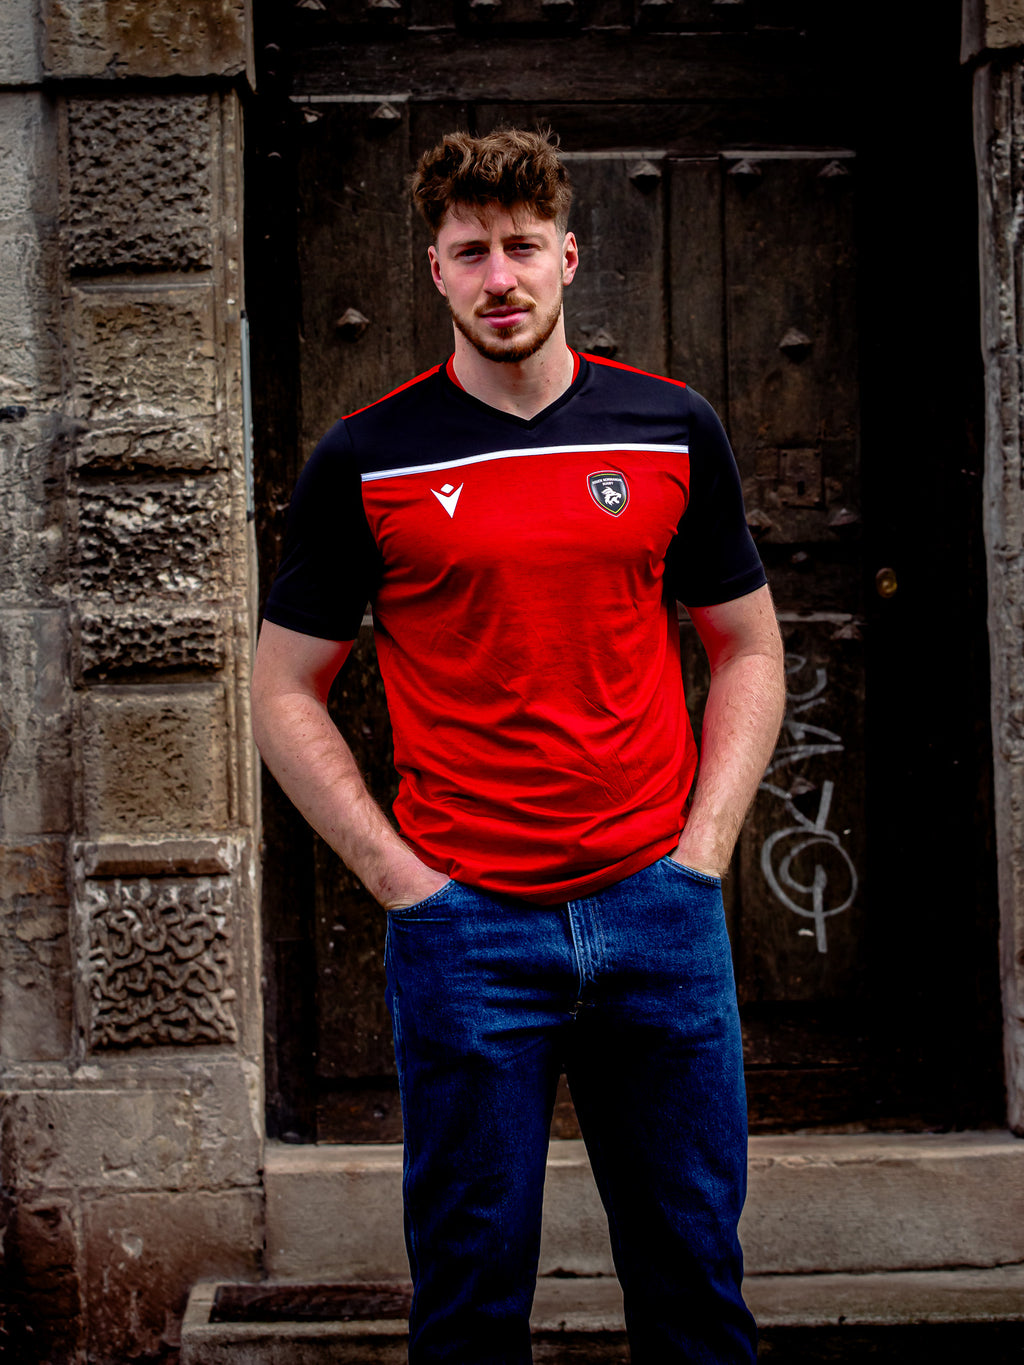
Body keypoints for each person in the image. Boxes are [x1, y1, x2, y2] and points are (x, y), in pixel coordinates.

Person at [251, 127, 786, 1364]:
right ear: (434, 272)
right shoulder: (368, 456)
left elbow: (747, 648)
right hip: (468, 928)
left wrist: (701, 853)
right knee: (470, 1299)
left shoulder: (669, 426)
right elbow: (284, 688)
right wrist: (403, 882)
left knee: (696, 1286)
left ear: (567, 258)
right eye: (470, 251)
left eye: (522, 248)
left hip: (659, 909)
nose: (500, 276)